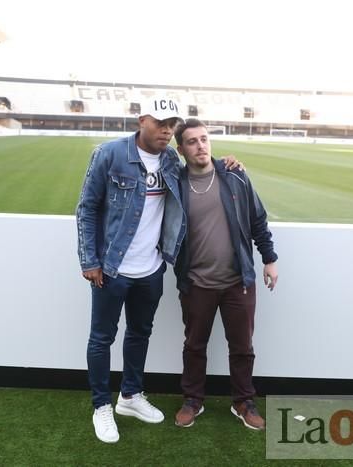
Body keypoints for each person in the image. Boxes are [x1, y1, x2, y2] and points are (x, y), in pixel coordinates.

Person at [76, 98, 239, 443]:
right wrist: (89, 260)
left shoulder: (169, 158)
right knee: (102, 337)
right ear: (142, 121)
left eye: (172, 124)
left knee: (139, 333)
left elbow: (199, 167)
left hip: (151, 267)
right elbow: (87, 208)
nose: (167, 130)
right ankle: (101, 406)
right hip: (112, 267)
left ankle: (130, 396)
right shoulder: (110, 154)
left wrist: (225, 164)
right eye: (160, 122)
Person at [172, 118, 278, 431]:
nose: (200, 145)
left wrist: (269, 260)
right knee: (194, 345)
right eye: (192, 141)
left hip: (238, 282)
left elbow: (258, 220)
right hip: (196, 283)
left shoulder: (235, 177)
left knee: (242, 347)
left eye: (204, 139)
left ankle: (243, 401)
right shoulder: (175, 184)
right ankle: (193, 400)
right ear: (181, 149)